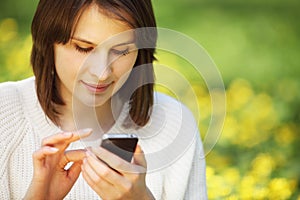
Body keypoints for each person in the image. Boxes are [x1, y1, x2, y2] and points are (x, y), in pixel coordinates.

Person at [0, 0, 207, 199]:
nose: (102, 73)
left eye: (121, 50)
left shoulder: (174, 123)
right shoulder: (5, 113)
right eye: (83, 48)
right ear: (48, 40)